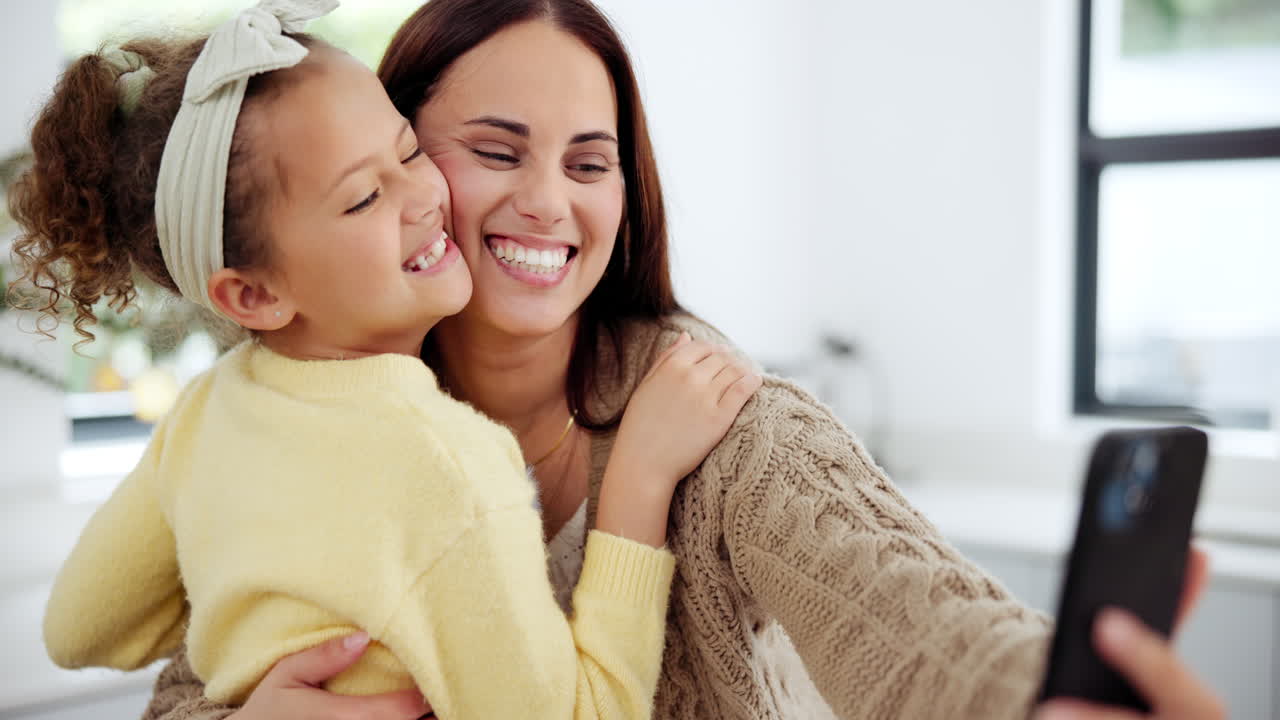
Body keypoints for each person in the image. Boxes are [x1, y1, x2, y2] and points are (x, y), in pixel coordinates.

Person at [134, 1, 1228, 719]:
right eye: (492, 150)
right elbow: (181, 680)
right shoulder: (283, 420)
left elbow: (917, 627)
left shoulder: (731, 427)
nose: (547, 204)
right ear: (402, 156)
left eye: (589, 162)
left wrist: (1046, 697)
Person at [11, 1, 761, 719]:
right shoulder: (447, 463)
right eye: (364, 198)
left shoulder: (206, 414)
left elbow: (80, 631)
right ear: (250, 294)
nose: (424, 197)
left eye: (407, 151)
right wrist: (636, 489)